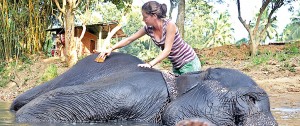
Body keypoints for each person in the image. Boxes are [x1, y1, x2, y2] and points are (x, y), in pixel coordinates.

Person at [100, 1, 201, 75]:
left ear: (154, 15)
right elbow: (129, 39)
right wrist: (111, 48)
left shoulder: (170, 25)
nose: (143, 20)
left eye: (145, 17)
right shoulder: (148, 29)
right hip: (176, 64)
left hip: (189, 62)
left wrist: (150, 64)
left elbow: (167, 50)